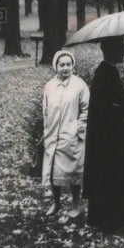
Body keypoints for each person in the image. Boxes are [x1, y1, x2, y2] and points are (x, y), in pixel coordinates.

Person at [83, 37, 124, 233]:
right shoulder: (104, 73)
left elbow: (114, 101)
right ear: (113, 50)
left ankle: (116, 218)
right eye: (122, 48)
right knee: (112, 175)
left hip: (112, 136)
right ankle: (113, 219)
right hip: (109, 139)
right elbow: (108, 105)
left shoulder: (109, 71)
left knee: (115, 174)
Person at [42, 49, 89, 218]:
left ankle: (76, 205)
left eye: (68, 64)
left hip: (72, 136)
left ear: (73, 66)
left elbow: (86, 109)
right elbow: (45, 110)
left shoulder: (79, 85)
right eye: (62, 65)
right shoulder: (49, 86)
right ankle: (56, 203)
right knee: (54, 172)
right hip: (53, 135)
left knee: (73, 172)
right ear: (56, 66)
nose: (65, 68)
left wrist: (79, 128)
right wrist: (46, 130)